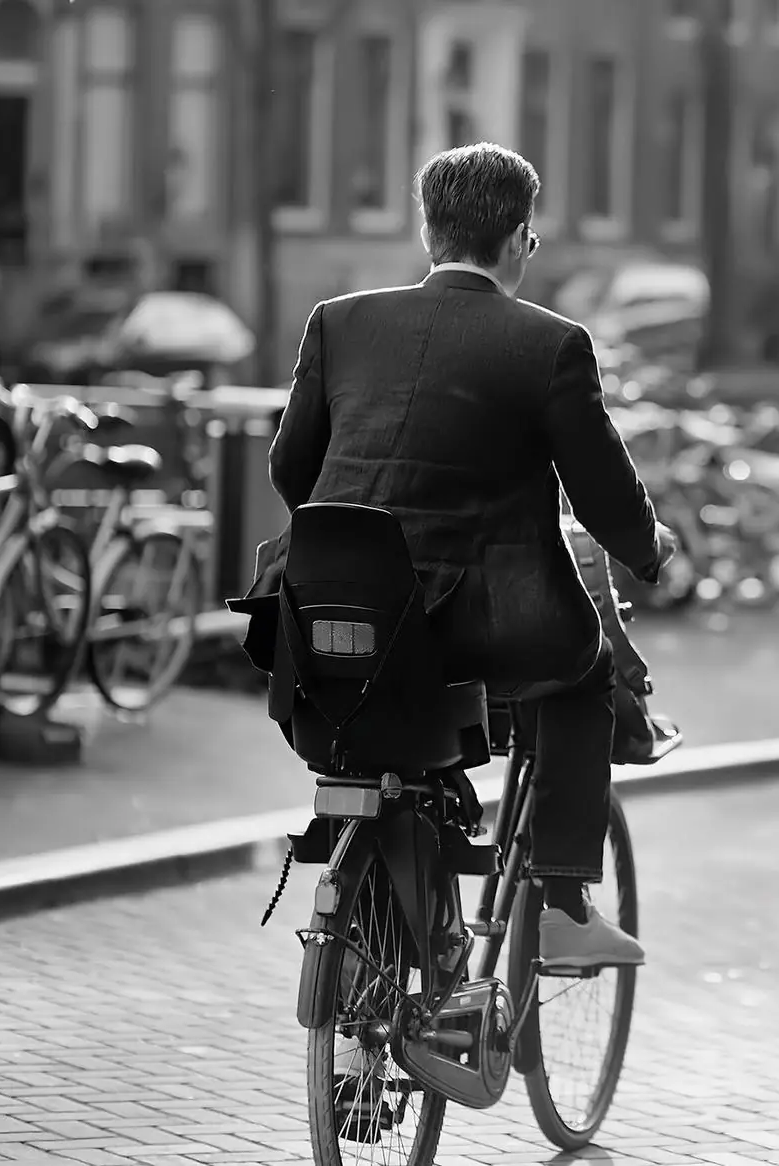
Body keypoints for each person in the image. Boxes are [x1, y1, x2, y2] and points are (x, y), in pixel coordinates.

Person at [256, 142, 671, 972]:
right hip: (482, 625)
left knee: (376, 703)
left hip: (332, 608)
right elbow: (603, 497)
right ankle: (560, 902)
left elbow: (290, 470)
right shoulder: (551, 344)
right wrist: (651, 550)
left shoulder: (338, 322)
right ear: (520, 238)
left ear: (427, 231)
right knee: (585, 671)